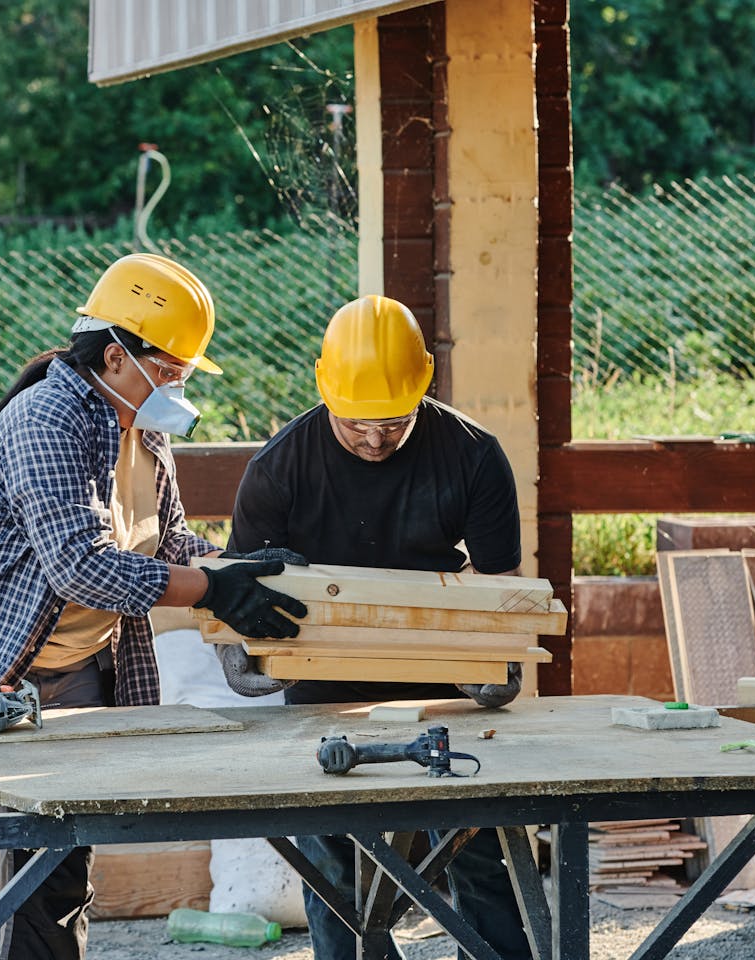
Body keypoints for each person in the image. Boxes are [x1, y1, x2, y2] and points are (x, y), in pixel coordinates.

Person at [0, 252, 306, 960]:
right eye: (171, 367)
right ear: (119, 355)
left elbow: (171, 539)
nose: (179, 383)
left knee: (57, 871)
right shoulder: (48, 417)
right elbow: (80, 565)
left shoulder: (144, 429)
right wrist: (214, 592)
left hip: (74, 672)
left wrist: (233, 568)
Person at [219, 294, 531, 960]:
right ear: (324, 389)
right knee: (336, 865)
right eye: (355, 422)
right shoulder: (278, 471)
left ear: (423, 387)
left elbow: (506, 595)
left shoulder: (473, 456)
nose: (372, 438)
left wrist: (495, 667)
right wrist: (250, 644)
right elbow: (237, 610)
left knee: (485, 848)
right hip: (322, 686)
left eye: (392, 421)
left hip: (446, 682)